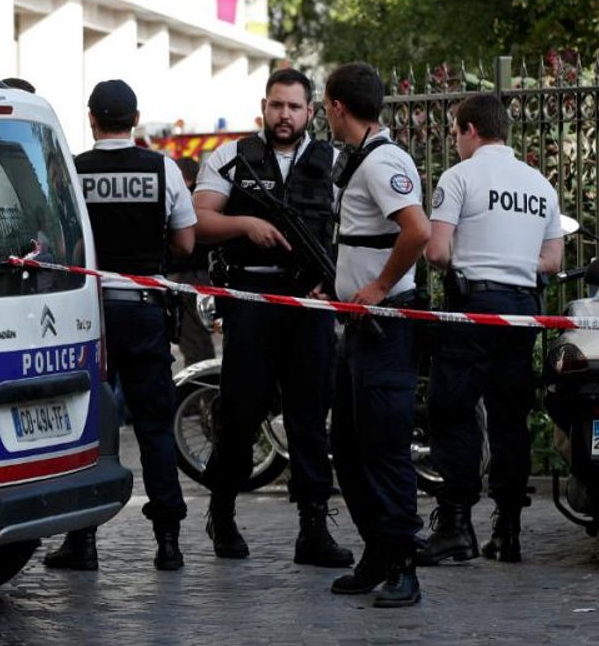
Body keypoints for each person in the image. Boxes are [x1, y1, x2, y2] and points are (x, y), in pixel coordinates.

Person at [191, 68, 350, 567]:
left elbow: (357, 228)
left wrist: (339, 278)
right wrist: (246, 224)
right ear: (264, 106)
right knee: (240, 413)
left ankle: (313, 528)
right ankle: (223, 511)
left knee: (308, 416)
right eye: (277, 106)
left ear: (311, 112)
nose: (285, 115)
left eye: (295, 107)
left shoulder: (336, 162)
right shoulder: (232, 157)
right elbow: (198, 222)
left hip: (310, 301)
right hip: (252, 298)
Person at [42, 79, 196, 571]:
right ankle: (168, 541)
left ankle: (81, 540)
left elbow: (58, 241)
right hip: (145, 308)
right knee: (154, 425)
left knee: (87, 427)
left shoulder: (70, 170)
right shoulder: (161, 168)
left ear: (91, 119)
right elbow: (187, 244)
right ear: (134, 119)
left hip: (88, 315)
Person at [417, 93, 563, 565]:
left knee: (453, 410)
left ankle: (457, 524)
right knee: (509, 418)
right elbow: (553, 261)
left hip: (473, 308)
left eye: (455, 132)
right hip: (522, 312)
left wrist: (463, 259)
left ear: (469, 130)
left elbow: (437, 252)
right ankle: (508, 529)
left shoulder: (459, 177)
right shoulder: (540, 184)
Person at [323, 62, 430, 608]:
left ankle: (404, 566)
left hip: (386, 327)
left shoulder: (384, 160)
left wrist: (380, 288)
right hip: (360, 329)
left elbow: (419, 231)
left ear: (337, 105)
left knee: (384, 449)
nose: (326, 113)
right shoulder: (361, 159)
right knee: (348, 446)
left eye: (325, 105)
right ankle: (377, 553)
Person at [168, 156, 215, 366]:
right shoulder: (207, 200)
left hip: (190, 278)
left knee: (194, 340)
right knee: (201, 337)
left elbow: (183, 244)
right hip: (202, 278)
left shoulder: (187, 198)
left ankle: (201, 392)